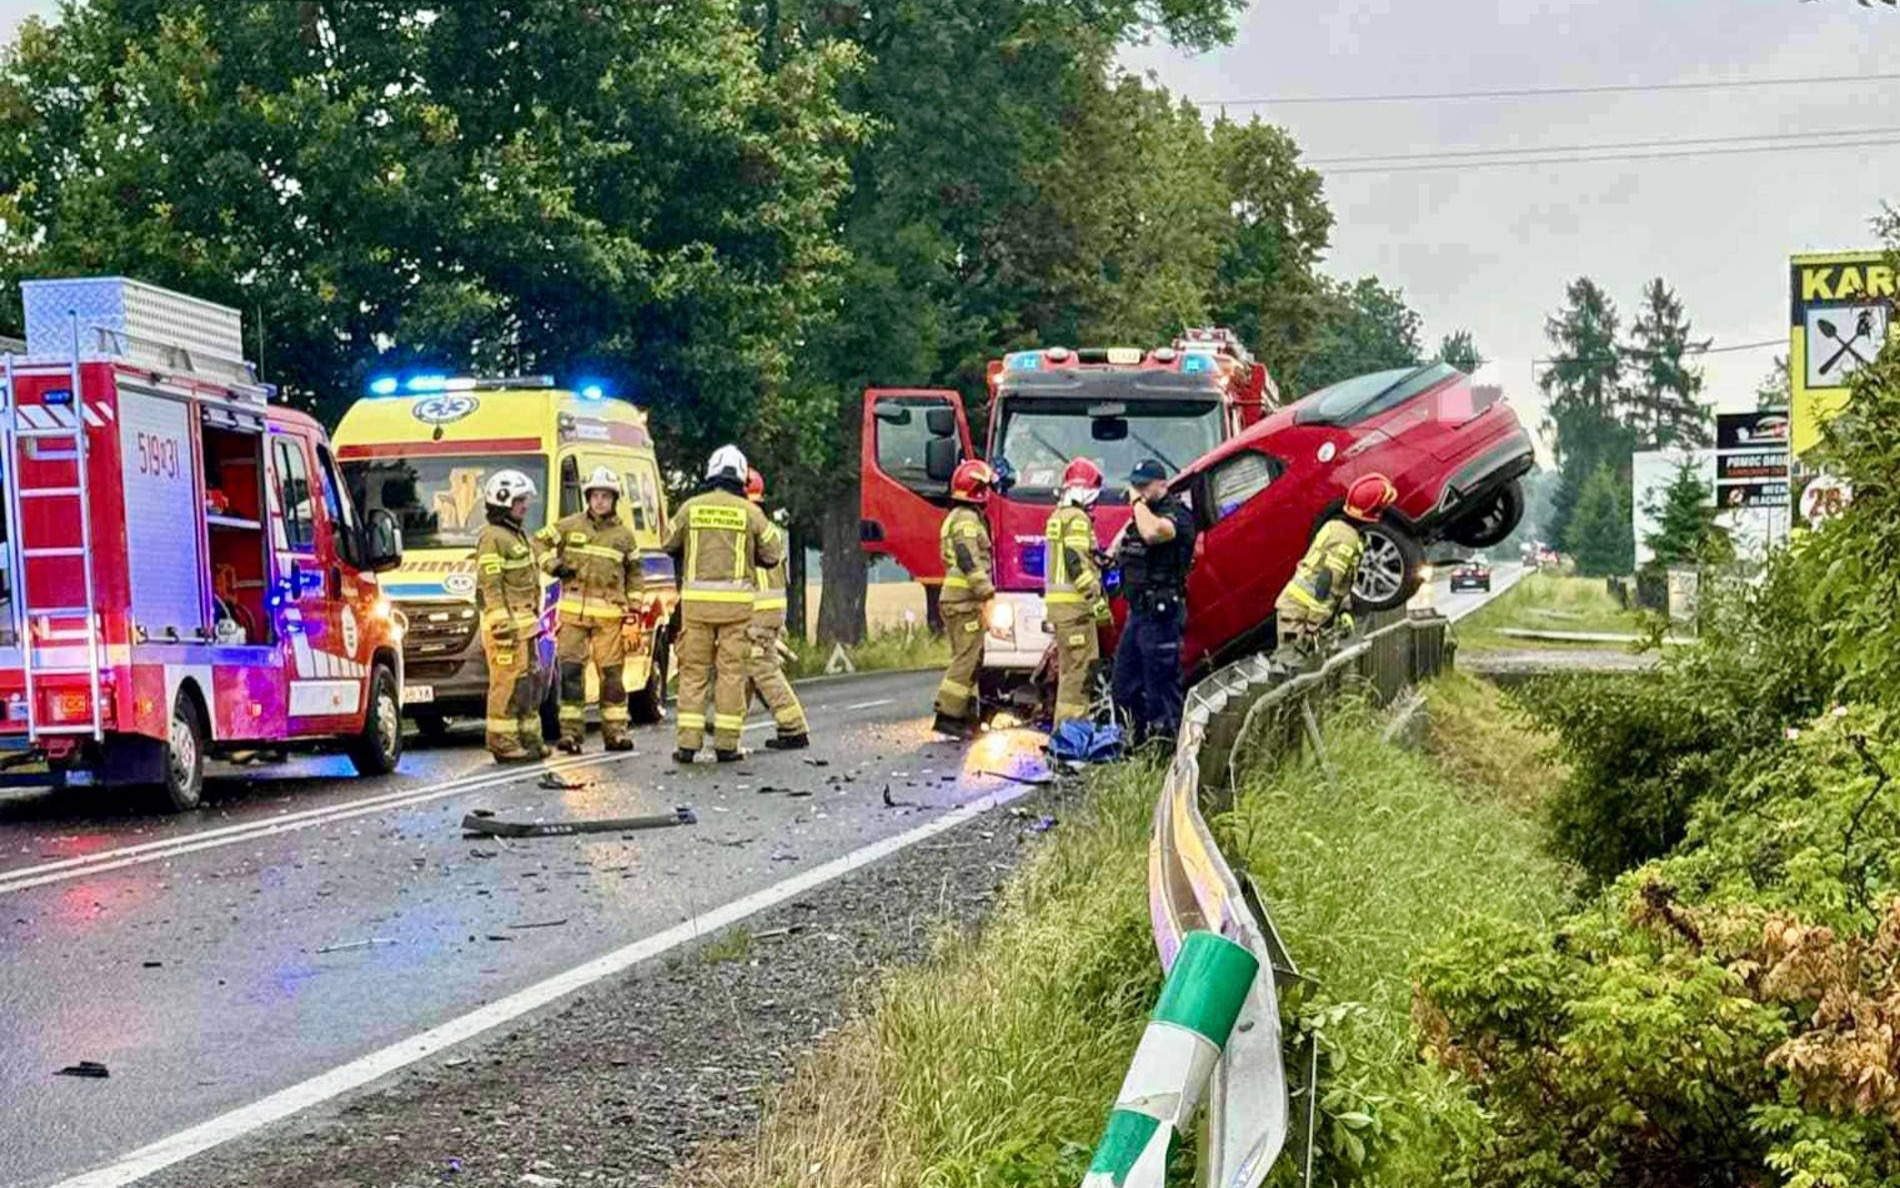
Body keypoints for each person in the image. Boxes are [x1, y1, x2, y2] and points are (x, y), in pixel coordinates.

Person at [665, 445, 783, 763]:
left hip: (696, 610)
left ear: (711, 472)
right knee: (732, 674)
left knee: (693, 673)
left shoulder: (690, 508)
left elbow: (668, 541)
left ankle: (687, 745)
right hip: (736, 611)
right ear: (741, 477)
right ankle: (727, 746)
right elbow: (773, 553)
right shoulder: (751, 513)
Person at [537, 466, 643, 754]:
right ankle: (570, 735)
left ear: (614, 499)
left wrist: (634, 613)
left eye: (605, 496)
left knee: (612, 677)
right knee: (570, 674)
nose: (599, 501)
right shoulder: (570, 526)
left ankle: (616, 733)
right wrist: (552, 565)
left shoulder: (624, 537)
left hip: (610, 619)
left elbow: (635, 575)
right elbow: (538, 541)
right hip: (572, 616)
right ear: (588, 497)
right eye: (595, 495)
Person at [1271, 473, 1398, 668]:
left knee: (1307, 668)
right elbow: (1327, 579)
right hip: (1300, 613)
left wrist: (1343, 610)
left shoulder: (1337, 527)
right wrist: (1314, 624)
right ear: (1372, 511)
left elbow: (1341, 582)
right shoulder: (1347, 540)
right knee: (1293, 668)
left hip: (1299, 609)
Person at [1111, 459, 1197, 746]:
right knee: (1124, 685)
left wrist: (1137, 504)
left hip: (1162, 615)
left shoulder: (1177, 514)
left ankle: (1166, 750)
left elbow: (1153, 533)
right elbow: (1118, 548)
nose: (1140, 491)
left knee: (1161, 685)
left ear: (1162, 483)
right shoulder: (1143, 515)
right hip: (1138, 613)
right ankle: (1134, 743)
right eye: (1136, 486)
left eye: (1145, 486)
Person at [475, 469, 550, 763]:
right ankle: (502, 742)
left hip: (525, 627)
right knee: (506, 685)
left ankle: (530, 739)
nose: (525, 506)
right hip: (506, 629)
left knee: (527, 685)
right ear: (503, 501)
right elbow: (490, 585)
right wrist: (501, 625)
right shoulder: (492, 538)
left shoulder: (515, 535)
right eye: (520, 500)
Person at [743, 467, 809, 749]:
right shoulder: (767, 527)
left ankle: (794, 728)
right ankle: (725, 723)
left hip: (756, 611)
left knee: (761, 668)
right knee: (749, 666)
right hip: (769, 611)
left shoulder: (747, 527)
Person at [932, 459, 998, 736]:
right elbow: (967, 557)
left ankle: (964, 714)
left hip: (960, 599)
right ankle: (948, 714)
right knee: (966, 658)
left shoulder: (957, 517)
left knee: (971, 656)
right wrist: (986, 591)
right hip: (963, 600)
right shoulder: (967, 520)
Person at [1042, 457, 1110, 725]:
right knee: (1079, 675)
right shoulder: (1078, 519)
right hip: (1076, 609)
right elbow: (1075, 562)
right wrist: (1096, 599)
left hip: (1061, 610)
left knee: (1069, 672)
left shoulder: (1057, 516)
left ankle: (1066, 730)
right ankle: (1072, 733)